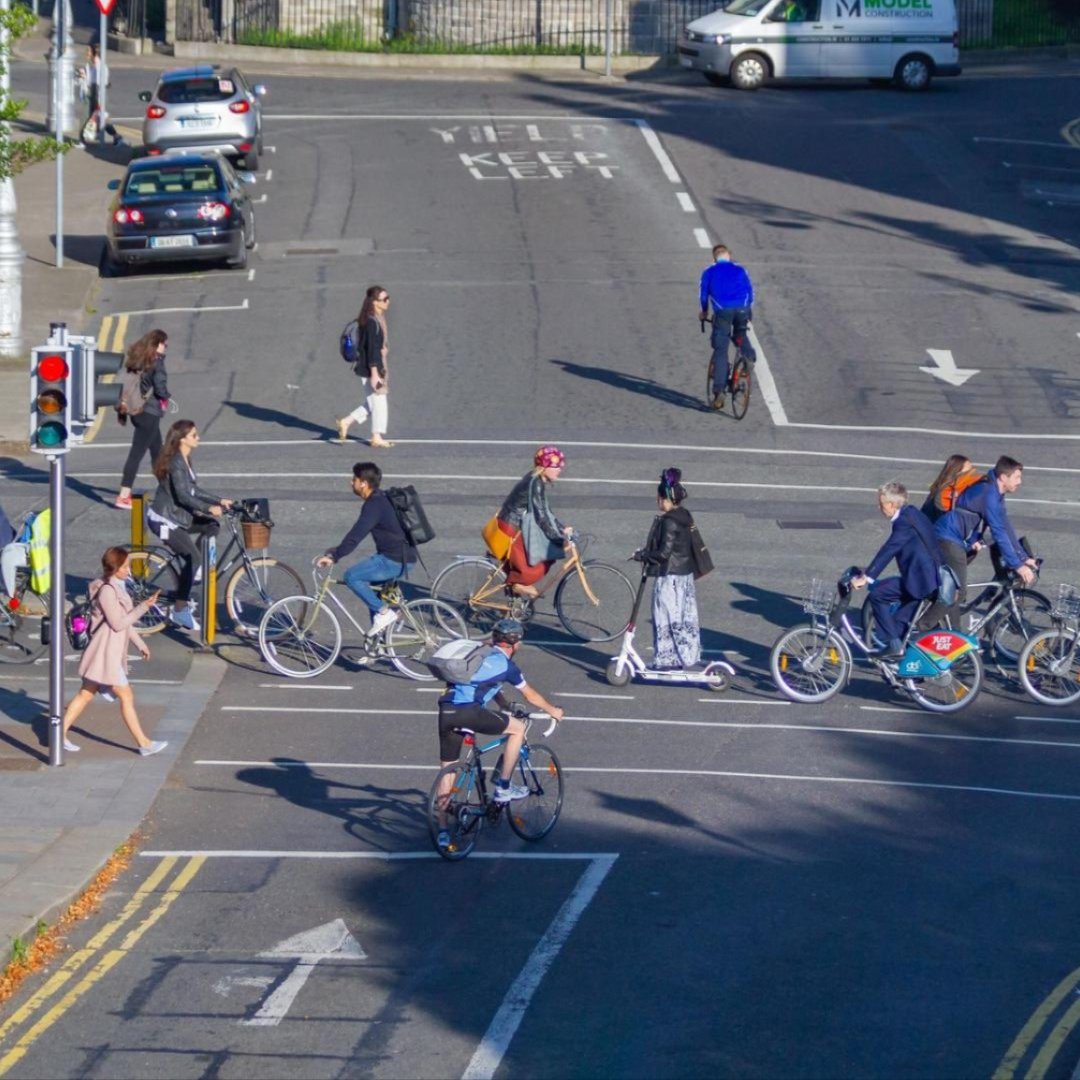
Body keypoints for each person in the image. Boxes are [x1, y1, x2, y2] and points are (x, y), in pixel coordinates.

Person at [434, 618, 564, 849]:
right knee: (517, 729)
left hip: (446, 712)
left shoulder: (479, 655)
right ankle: (503, 786)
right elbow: (530, 696)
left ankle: (443, 831)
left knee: (447, 770)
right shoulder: (507, 665)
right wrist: (553, 710)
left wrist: (504, 706)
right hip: (469, 712)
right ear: (515, 644)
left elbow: (486, 685)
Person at [61, 547, 166, 756]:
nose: (129, 571)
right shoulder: (108, 590)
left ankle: (58, 733)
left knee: (86, 693)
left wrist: (139, 643)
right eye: (125, 566)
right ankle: (144, 743)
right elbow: (118, 623)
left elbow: (123, 622)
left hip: (108, 651)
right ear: (115, 568)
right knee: (126, 696)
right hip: (106, 653)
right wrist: (144, 606)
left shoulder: (115, 585)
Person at [148, 421, 232, 632]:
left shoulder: (185, 460)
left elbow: (193, 490)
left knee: (211, 525)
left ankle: (195, 569)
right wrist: (207, 507)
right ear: (183, 438)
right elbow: (184, 496)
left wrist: (218, 501)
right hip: (164, 519)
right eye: (194, 435)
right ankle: (179, 608)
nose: (198, 438)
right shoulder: (176, 462)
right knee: (192, 557)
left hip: (179, 517)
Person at [316, 461, 415, 637]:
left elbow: (356, 535)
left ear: (363, 483)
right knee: (374, 599)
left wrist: (334, 555)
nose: (350, 482)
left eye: (354, 479)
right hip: (403, 557)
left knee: (352, 576)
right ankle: (378, 646)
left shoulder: (374, 505)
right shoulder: (382, 498)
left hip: (394, 560)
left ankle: (385, 614)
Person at [934, 455, 1038, 618]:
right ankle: (927, 626)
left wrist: (1023, 557)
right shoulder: (989, 495)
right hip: (949, 539)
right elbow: (998, 532)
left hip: (960, 540)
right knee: (957, 593)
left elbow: (1006, 527)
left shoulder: (996, 493)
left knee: (953, 589)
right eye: (1017, 477)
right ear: (1004, 477)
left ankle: (953, 635)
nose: (1020, 481)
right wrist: (1017, 566)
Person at [851, 481, 941, 659]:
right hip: (928, 577)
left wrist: (866, 577)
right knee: (900, 620)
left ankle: (894, 646)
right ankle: (906, 662)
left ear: (891, 505)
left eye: (881, 503)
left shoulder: (903, 523)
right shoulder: (913, 513)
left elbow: (889, 549)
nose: (879, 507)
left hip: (921, 581)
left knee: (877, 594)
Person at [632, 467, 702, 670]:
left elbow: (663, 554)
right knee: (682, 620)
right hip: (684, 577)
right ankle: (686, 656)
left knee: (665, 618)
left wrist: (641, 555)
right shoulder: (684, 515)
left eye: (659, 497)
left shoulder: (668, 522)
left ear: (665, 499)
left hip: (670, 578)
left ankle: (666, 660)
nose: (657, 501)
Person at [495, 446, 573, 600]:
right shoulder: (535, 484)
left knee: (542, 555)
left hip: (513, 525)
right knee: (533, 564)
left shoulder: (536, 480)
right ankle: (518, 585)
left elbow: (546, 511)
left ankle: (512, 608)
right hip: (511, 528)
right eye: (555, 466)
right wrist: (558, 538)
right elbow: (541, 516)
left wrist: (561, 529)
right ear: (544, 467)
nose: (559, 469)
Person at [115, 329, 170, 511]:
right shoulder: (157, 363)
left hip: (137, 412)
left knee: (157, 453)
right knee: (136, 454)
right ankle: (124, 495)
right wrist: (166, 396)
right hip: (149, 413)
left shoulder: (138, 360)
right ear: (157, 344)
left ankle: (167, 491)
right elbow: (160, 387)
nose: (166, 348)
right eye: (165, 344)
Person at [335, 285, 394, 448]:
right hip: (371, 368)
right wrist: (375, 373)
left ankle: (345, 423)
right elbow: (372, 349)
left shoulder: (373, 318)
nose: (388, 302)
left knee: (371, 403)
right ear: (374, 302)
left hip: (368, 366)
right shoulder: (372, 322)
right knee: (379, 401)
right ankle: (376, 436)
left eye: (388, 298)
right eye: (384, 299)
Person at [699, 243, 755, 411]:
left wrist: (704, 312)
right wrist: (748, 311)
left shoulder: (709, 272)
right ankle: (749, 356)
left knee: (721, 349)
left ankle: (719, 392)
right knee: (740, 334)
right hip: (743, 309)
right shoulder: (740, 269)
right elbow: (750, 291)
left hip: (723, 312)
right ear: (729, 256)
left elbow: (703, 295)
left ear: (714, 258)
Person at [80, 44, 124, 147]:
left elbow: (102, 85)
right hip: (94, 94)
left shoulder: (100, 67)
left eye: (88, 51)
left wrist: (99, 101)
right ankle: (86, 139)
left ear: (94, 53)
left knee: (99, 120)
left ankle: (116, 137)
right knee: (93, 119)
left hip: (99, 96)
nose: (86, 53)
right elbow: (90, 81)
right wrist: (83, 76)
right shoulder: (93, 66)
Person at [920, 454, 979, 524]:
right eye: (968, 472)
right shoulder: (943, 492)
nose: (972, 474)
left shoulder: (942, 486)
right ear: (957, 471)